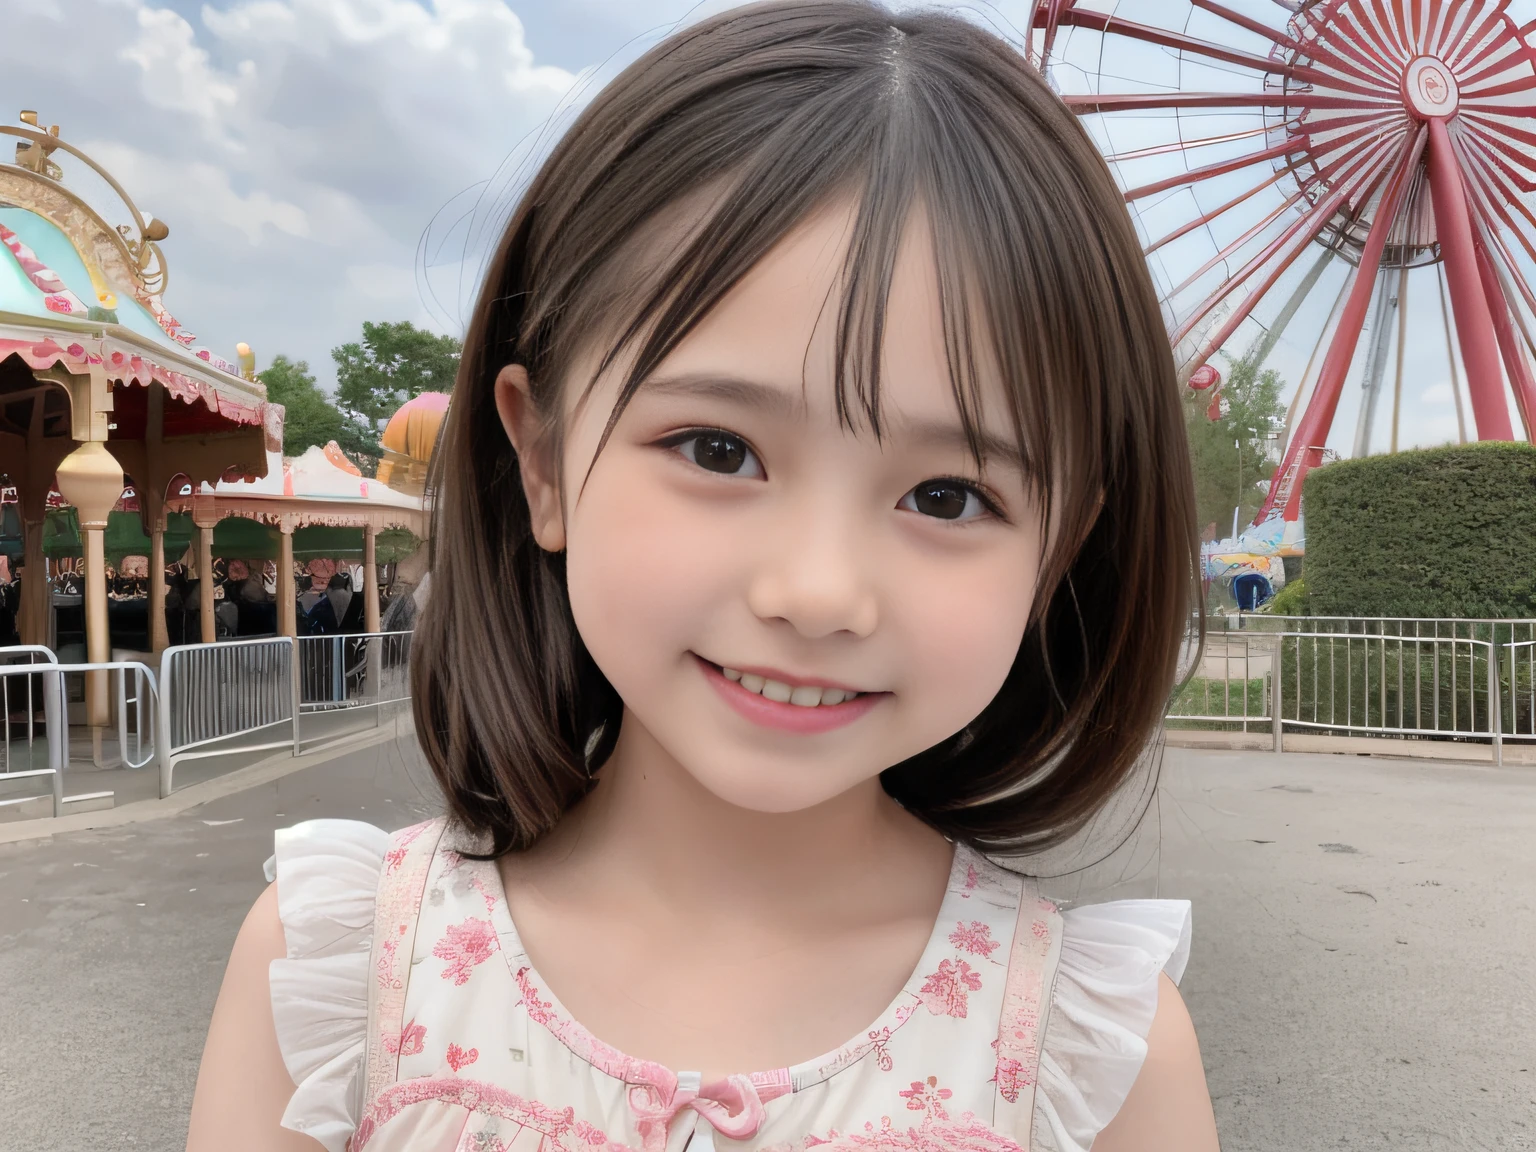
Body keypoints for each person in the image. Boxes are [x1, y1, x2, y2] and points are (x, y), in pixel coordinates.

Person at [186, 6, 1215, 1151]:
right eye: (719, 450)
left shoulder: (1094, 1056)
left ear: (1061, 546)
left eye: (948, 497)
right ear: (543, 461)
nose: (818, 591)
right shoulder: (343, 978)